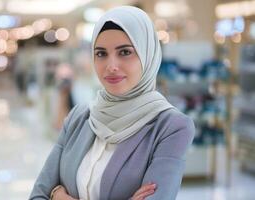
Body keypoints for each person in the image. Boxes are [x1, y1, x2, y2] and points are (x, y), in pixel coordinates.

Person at [29, 6, 195, 200]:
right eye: (101, 54)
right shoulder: (80, 116)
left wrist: (57, 194)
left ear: (147, 54)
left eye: (125, 52)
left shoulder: (171, 127)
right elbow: (37, 195)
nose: (111, 66)